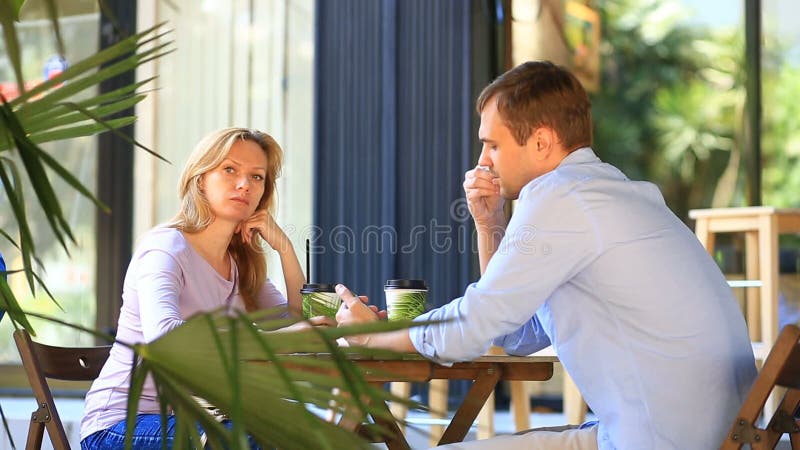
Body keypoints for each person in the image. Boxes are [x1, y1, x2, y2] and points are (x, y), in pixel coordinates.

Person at [335, 61, 757, 450]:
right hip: (692, 434)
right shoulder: (617, 192)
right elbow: (518, 334)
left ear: (541, 142)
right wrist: (489, 224)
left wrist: (375, 334)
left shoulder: (560, 196)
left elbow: (475, 326)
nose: (482, 161)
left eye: (493, 145)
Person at [80, 127, 328, 449]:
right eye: (230, 170)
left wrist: (284, 248)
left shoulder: (241, 263)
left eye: (257, 177)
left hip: (199, 419)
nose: (244, 185)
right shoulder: (167, 248)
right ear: (200, 179)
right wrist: (270, 339)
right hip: (121, 425)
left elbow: (295, 321)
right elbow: (165, 336)